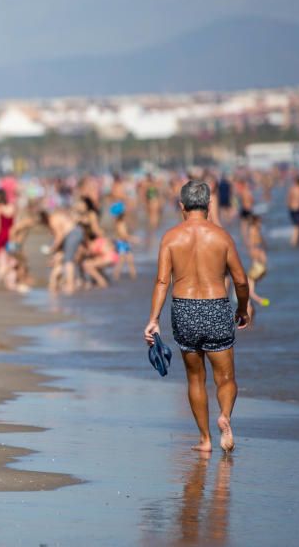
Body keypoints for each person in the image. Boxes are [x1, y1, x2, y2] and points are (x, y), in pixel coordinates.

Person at [144, 181, 249, 454]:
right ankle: (224, 415)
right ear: (209, 205)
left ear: (182, 206)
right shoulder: (222, 236)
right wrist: (242, 308)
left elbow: (161, 282)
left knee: (195, 378)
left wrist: (153, 319)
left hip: (184, 308)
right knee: (225, 377)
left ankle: (205, 440)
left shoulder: (171, 237)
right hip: (216, 307)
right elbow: (240, 279)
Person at [112, 207, 139, 281]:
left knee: (130, 259)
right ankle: (115, 276)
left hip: (124, 243)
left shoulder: (120, 223)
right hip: (122, 243)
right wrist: (133, 239)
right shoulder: (121, 224)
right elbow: (123, 236)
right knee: (121, 261)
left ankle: (134, 276)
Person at [287, 175, 299, 247]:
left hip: (291, 209)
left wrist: (290, 207)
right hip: (298, 209)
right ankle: (295, 242)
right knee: (298, 227)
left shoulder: (292, 188)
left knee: (297, 226)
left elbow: (288, 199)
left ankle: (296, 242)